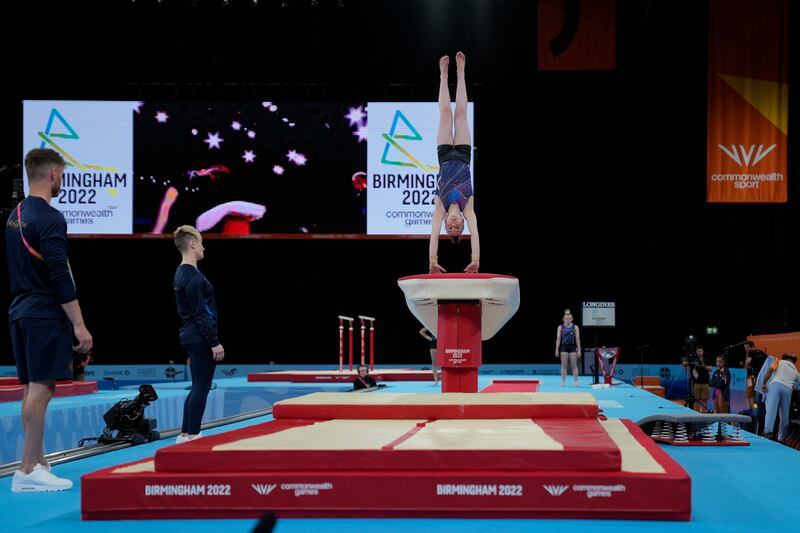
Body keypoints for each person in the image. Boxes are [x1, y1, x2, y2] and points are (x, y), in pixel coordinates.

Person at [6, 148, 93, 492]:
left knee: (31, 389)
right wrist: (79, 325)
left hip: (19, 309)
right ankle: (27, 469)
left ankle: (38, 461)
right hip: (43, 312)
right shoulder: (52, 217)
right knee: (41, 390)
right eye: (63, 175)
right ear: (54, 174)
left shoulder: (14, 215)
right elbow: (60, 274)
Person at [429, 52, 480, 275]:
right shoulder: (467, 207)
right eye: (457, 227)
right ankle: (460, 72)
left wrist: (432, 260)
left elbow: (433, 235)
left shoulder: (439, 208)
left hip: (443, 155)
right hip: (462, 154)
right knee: (460, 113)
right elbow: (475, 233)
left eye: (449, 228)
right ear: (462, 222)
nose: (453, 224)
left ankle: (442, 74)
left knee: (445, 114)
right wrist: (475, 260)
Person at [173, 225, 224, 444]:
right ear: (192, 244)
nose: (204, 247)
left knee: (196, 387)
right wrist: (214, 342)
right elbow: (200, 312)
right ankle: (194, 434)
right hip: (199, 335)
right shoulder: (192, 277)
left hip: (191, 334)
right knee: (202, 387)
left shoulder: (181, 272)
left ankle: (185, 434)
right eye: (201, 242)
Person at [761, 354, 800, 441]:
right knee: (784, 414)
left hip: (776, 385)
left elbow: (770, 371)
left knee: (771, 410)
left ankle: (768, 432)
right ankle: (781, 437)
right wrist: (796, 387)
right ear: (793, 362)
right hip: (788, 389)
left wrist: (764, 383)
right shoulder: (795, 370)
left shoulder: (778, 361)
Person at [554, 309, 581, 387]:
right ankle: (563, 381)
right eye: (566, 318)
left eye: (569, 318)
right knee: (564, 365)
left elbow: (577, 338)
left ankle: (576, 381)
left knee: (574, 365)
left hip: (572, 347)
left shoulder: (575, 327)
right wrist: (556, 349)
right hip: (564, 347)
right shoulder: (560, 327)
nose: (568, 320)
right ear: (563, 319)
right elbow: (558, 338)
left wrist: (579, 350)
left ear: (572, 319)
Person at [691, 346, 712, 412]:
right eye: (698, 351)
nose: (699, 352)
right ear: (696, 352)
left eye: (701, 351)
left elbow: (710, 369)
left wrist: (703, 364)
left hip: (705, 383)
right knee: (697, 400)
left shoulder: (707, 360)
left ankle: (703, 415)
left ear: (703, 352)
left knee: (704, 400)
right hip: (696, 383)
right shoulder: (694, 361)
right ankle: (696, 415)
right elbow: (688, 369)